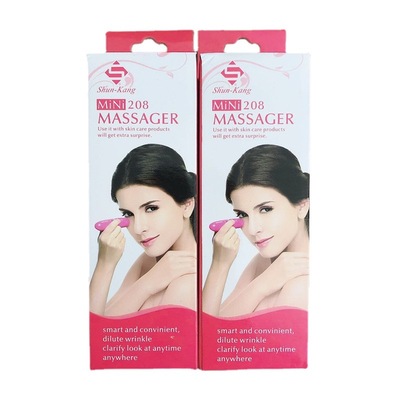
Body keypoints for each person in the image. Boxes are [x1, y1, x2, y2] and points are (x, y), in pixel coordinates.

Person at [90, 144, 197, 316]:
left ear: (187, 205)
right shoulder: (150, 261)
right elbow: (99, 323)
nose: (138, 228)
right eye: (128, 214)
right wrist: (105, 264)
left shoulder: (187, 281)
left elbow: (100, 329)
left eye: (151, 208)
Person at [202, 144, 309, 317]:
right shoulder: (265, 263)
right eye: (242, 214)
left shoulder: (302, 285)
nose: (252, 229)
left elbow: (212, 331)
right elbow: (208, 324)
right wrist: (220, 264)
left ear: (302, 206)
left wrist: (262, 284)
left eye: (265, 209)